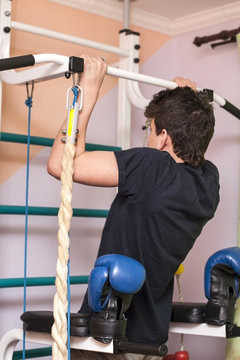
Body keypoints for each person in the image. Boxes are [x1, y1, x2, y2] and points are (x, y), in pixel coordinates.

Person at [47, 55, 220, 360]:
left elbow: (60, 164)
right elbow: (192, 143)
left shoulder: (152, 165)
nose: (148, 136)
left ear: (163, 138)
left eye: (150, 129)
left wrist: (88, 87)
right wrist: (186, 102)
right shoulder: (208, 182)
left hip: (106, 338)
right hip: (150, 338)